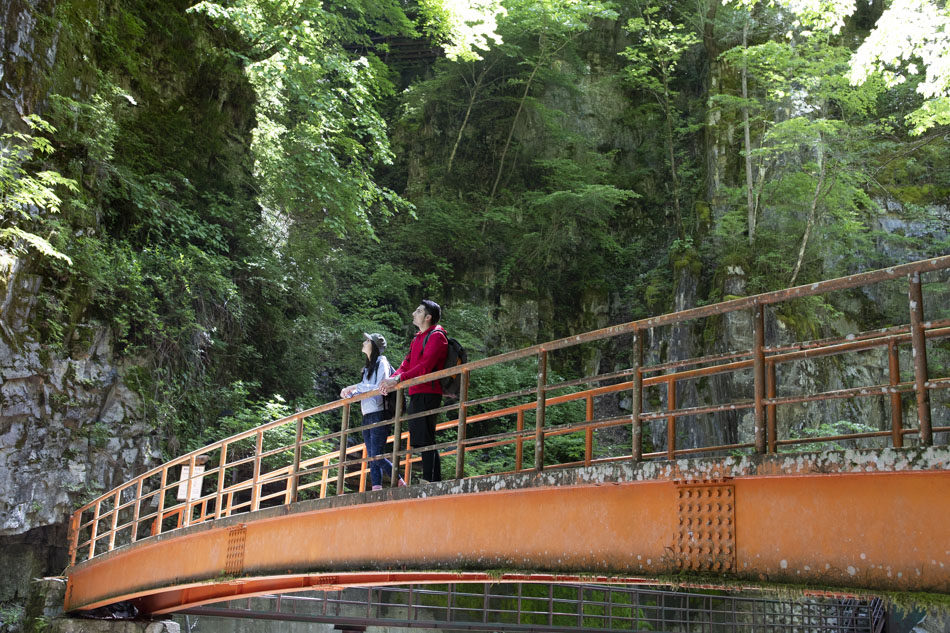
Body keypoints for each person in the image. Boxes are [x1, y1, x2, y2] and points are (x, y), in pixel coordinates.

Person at [379, 299, 448, 482]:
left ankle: (431, 480)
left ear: (428, 317)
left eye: (418, 311)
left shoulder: (437, 336)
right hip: (416, 392)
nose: (413, 313)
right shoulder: (418, 337)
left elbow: (426, 366)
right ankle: (432, 479)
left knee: (426, 437)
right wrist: (394, 378)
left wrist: (399, 378)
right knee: (420, 436)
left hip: (429, 392)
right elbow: (406, 363)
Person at [340, 333, 404, 490]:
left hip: (379, 413)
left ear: (374, 346)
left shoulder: (382, 361)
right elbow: (364, 389)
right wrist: (350, 393)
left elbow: (381, 386)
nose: (364, 342)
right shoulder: (368, 366)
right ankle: (376, 488)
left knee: (376, 454)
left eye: (367, 340)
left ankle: (400, 482)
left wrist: (354, 387)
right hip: (367, 414)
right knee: (371, 456)